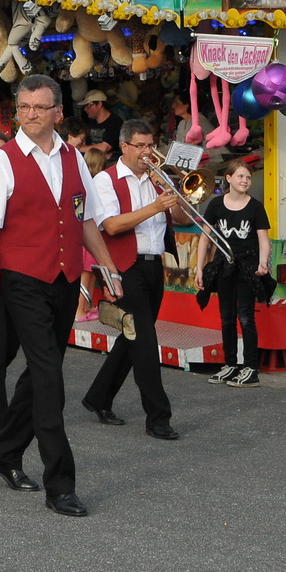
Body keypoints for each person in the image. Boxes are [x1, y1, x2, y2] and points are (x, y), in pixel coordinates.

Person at [0, 75, 120, 518]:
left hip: (63, 277)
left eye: (40, 107)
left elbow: (86, 220)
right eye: (24, 106)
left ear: (58, 112)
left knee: (42, 373)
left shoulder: (74, 156)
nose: (31, 114)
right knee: (50, 383)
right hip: (22, 280)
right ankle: (61, 483)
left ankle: (3, 452)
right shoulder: (1, 162)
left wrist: (108, 268)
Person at [80, 120, 186, 439]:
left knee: (133, 337)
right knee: (145, 341)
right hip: (125, 266)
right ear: (124, 147)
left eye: (151, 145)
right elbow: (111, 226)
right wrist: (155, 206)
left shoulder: (157, 178)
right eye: (140, 146)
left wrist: (175, 196)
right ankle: (158, 416)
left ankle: (98, 397)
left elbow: (179, 218)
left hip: (154, 265)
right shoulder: (106, 181)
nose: (147, 152)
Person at [195, 160, 272, 388]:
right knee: (226, 317)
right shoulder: (217, 204)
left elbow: (263, 238)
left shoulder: (255, 207)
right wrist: (200, 267)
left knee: (246, 316)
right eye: (240, 176)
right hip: (224, 266)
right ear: (228, 178)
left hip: (247, 267)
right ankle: (230, 363)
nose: (245, 181)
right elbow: (205, 237)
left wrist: (262, 262)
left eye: (247, 177)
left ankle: (251, 367)